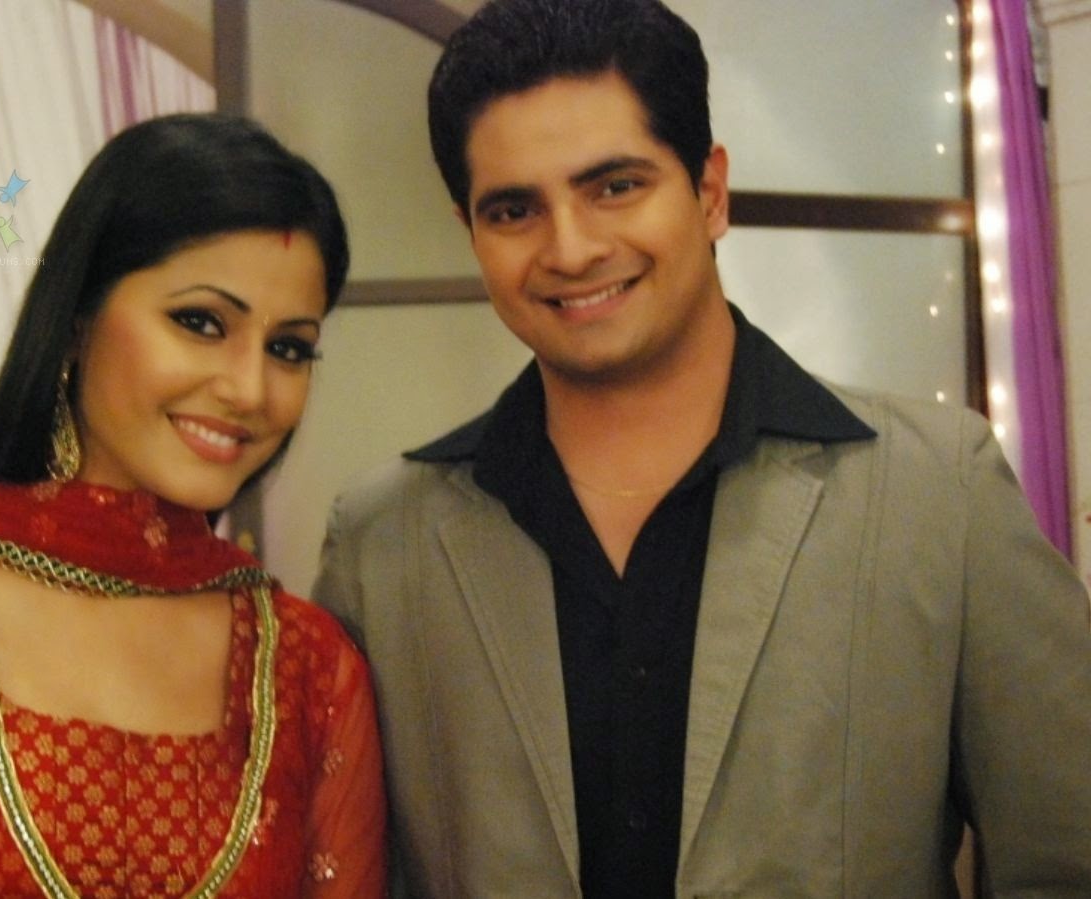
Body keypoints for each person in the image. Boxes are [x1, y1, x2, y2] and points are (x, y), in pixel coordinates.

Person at [311, 1, 1091, 896]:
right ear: (472, 232)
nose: (570, 248)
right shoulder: (383, 543)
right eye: (515, 209)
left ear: (710, 192)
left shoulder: (936, 491)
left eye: (615, 186)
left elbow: (1067, 859)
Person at [0, 113, 385, 897]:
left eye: (288, 347)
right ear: (79, 317)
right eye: (200, 322)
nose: (250, 389)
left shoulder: (310, 670)